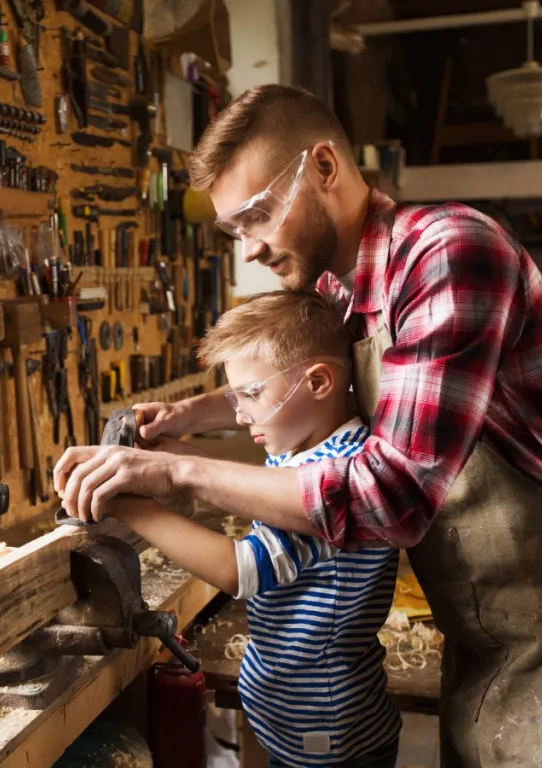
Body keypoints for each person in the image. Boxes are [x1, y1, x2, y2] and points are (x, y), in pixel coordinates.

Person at [53, 84, 542, 767]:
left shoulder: (445, 255)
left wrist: (174, 470)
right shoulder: (342, 289)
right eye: (234, 230)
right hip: (489, 630)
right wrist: (192, 415)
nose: (249, 249)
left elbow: (390, 497)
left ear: (325, 169)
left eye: (258, 216)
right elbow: (309, 377)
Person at [111, 290, 400, 767]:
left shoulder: (336, 472)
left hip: (327, 734)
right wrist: (160, 457)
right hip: (292, 721)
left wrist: (128, 507)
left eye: (251, 394)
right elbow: (255, 484)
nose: (240, 413)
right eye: (235, 395)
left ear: (319, 382)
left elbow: (240, 569)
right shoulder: (303, 446)